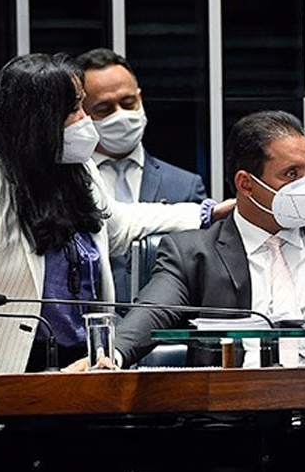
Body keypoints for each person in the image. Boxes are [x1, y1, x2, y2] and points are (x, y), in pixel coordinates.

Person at [0, 53, 220, 375]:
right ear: (37, 119)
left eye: (82, 105)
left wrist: (207, 213)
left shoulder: (78, 169)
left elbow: (119, 224)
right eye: (73, 110)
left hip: (82, 363)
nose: (85, 119)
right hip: (4, 364)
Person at [99, 110, 305, 368]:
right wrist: (111, 355)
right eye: (290, 174)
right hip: (232, 405)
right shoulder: (192, 255)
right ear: (246, 184)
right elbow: (152, 313)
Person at [75, 48, 209, 302]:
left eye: (128, 103)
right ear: (82, 112)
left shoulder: (185, 185)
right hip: (91, 321)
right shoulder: (72, 184)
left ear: (140, 98)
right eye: (104, 108)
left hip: (166, 321)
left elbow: (200, 269)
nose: (120, 115)